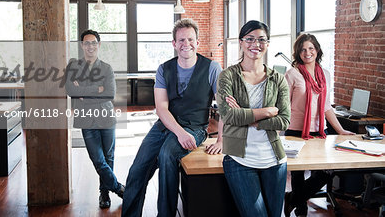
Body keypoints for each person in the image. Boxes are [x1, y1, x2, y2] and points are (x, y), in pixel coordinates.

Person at [122, 18, 223, 217]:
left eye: (191, 39)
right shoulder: (164, 69)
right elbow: (161, 108)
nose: (187, 44)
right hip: (165, 125)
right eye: (182, 40)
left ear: (198, 42)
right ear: (174, 44)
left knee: (167, 155)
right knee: (136, 172)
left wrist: (221, 140)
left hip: (195, 126)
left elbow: (225, 107)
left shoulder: (212, 68)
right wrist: (179, 133)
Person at [216, 20, 290, 217]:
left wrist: (246, 116)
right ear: (241, 42)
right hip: (239, 159)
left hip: (274, 160)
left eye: (261, 40)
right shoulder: (227, 76)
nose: (255, 44)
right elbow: (228, 115)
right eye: (249, 39)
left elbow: (284, 121)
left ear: (267, 44)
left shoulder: (278, 79)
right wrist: (266, 112)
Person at [284, 33, 354, 217]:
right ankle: (301, 211)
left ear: (317, 50)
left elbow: (326, 106)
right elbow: (283, 105)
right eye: (303, 49)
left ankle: (293, 198)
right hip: (295, 130)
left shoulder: (326, 75)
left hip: (319, 131)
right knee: (298, 174)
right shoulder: (292, 74)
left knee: (325, 172)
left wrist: (340, 130)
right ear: (298, 53)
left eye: (311, 49)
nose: (307, 53)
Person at [65, 30, 124, 209]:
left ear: (99, 45)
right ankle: (119, 188)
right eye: (86, 43)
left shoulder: (106, 68)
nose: (90, 46)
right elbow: (71, 91)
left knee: (109, 156)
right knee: (98, 159)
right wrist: (96, 89)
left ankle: (104, 193)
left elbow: (110, 93)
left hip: (106, 117)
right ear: (82, 45)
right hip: (86, 119)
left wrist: (84, 91)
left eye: (93, 43)